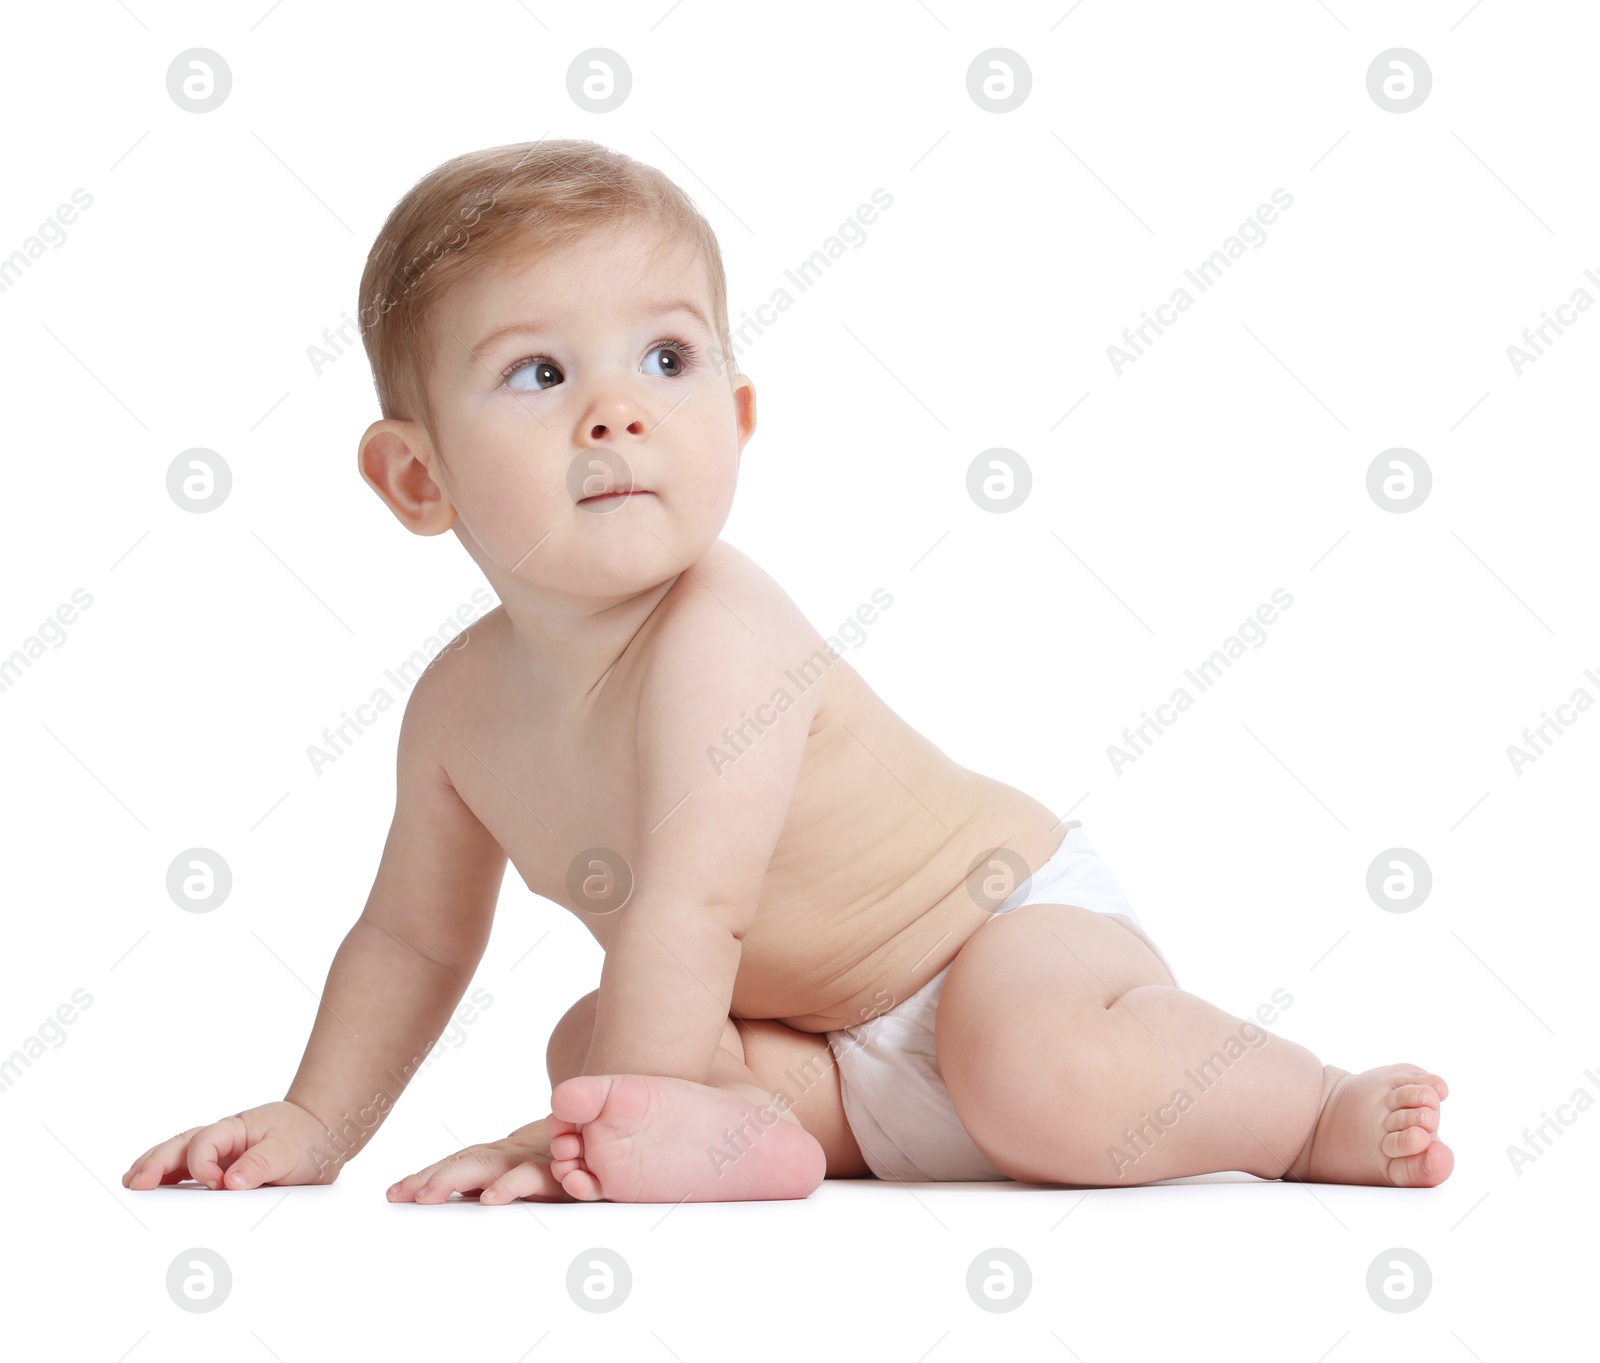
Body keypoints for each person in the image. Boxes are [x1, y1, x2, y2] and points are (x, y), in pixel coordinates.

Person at [123, 140, 1450, 1204]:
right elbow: (411, 937)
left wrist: (585, 1136)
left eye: (668, 358)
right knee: (589, 1038)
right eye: (538, 371)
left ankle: (1306, 1106)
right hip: (817, 1059)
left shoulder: (721, 630)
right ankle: (767, 1145)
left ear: (738, 418)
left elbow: (693, 915)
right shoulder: (457, 713)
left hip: (998, 941)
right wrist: (317, 1121)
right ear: (417, 477)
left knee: (1030, 1067)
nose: (617, 410)